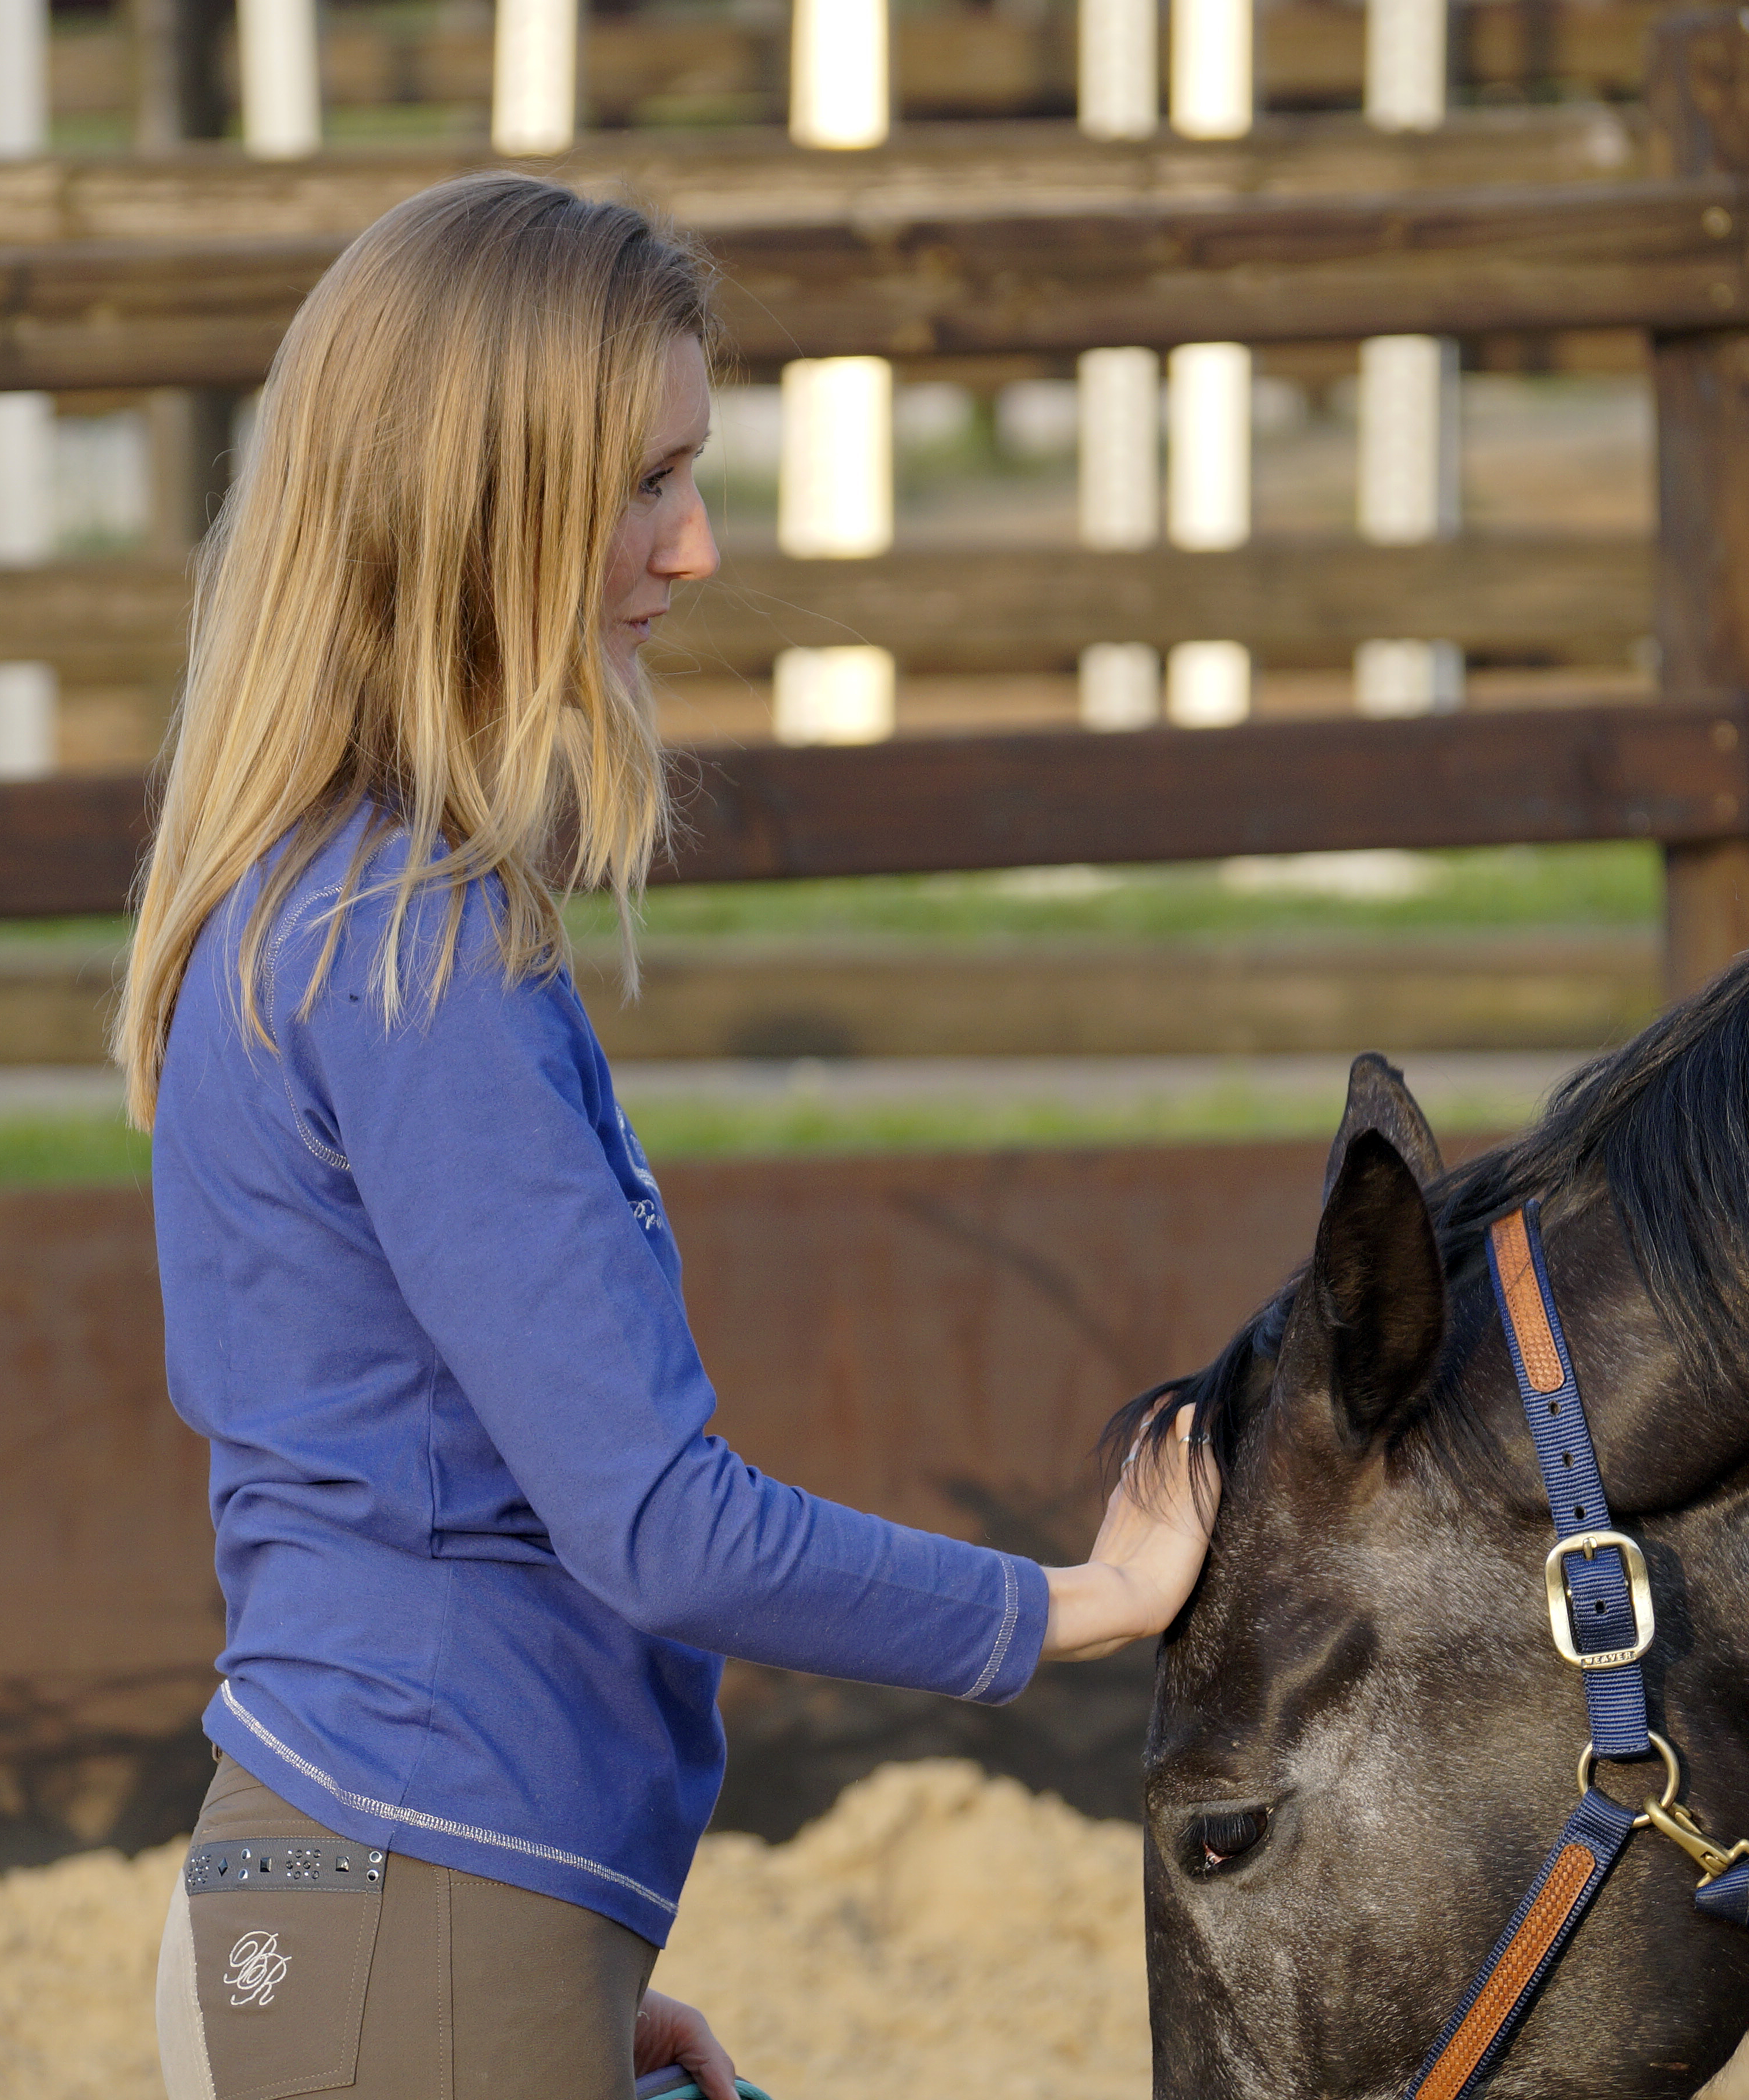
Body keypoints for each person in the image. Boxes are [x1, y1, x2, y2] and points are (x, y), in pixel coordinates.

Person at [114, 172, 1216, 2100]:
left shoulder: (305, 906)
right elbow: (657, 1529)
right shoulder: (410, 949)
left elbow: (386, 1480)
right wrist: (1075, 1604)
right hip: (415, 1903)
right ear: (482, 511)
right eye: (646, 482)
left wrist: (529, 1982)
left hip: (395, 1900)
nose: (696, 548)